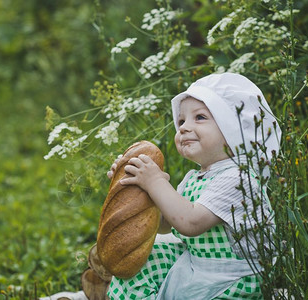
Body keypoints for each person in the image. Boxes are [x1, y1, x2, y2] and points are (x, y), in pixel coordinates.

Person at [106, 72, 281, 299]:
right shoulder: (194, 178)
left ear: (232, 129)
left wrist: (156, 182)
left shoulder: (238, 179)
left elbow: (190, 222)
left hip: (230, 279)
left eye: (199, 117)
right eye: (181, 121)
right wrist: (134, 185)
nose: (184, 127)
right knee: (144, 258)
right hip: (196, 266)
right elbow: (165, 225)